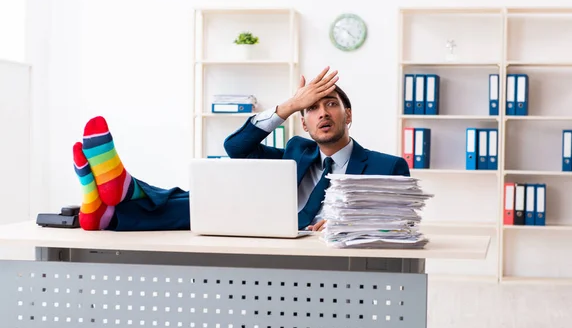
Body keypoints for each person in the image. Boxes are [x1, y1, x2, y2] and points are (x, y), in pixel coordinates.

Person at [72, 66, 410, 232]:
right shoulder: (297, 150)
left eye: (332, 104)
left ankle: (115, 202)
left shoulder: (386, 165)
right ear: (304, 123)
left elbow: (402, 223)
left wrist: (346, 224)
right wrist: (289, 105)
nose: (322, 112)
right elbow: (235, 147)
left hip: (318, 248)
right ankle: (112, 204)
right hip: (267, 230)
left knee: (206, 203)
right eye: (312, 108)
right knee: (203, 199)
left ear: (347, 115)